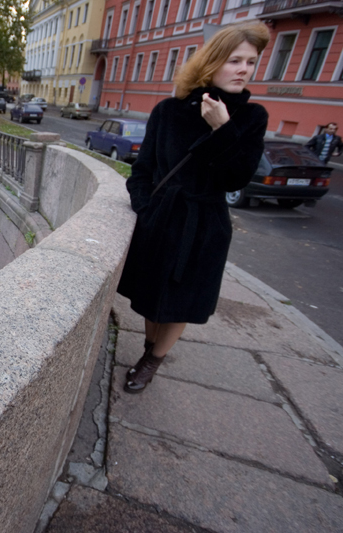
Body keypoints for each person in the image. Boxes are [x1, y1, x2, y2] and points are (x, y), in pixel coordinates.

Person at [117, 22, 270, 393]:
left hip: (205, 226)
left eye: (250, 62)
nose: (244, 70)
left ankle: (152, 361)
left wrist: (223, 129)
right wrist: (146, 208)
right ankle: (149, 346)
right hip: (161, 219)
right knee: (151, 299)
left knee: (181, 303)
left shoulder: (251, 117)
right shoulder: (169, 111)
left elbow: (236, 179)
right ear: (211, 62)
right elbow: (143, 170)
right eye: (235, 60)